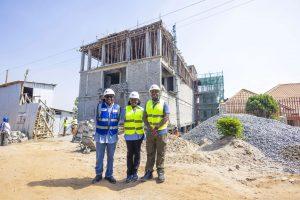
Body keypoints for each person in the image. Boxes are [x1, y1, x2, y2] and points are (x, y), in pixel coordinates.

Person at [141, 84, 170, 183]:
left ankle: (160, 172)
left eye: (156, 91)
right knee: (150, 153)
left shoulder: (164, 103)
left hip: (161, 132)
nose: (154, 93)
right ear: (150, 93)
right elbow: (144, 117)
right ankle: (148, 172)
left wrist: (156, 128)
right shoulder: (147, 103)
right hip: (150, 132)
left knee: (161, 153)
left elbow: (166, 117)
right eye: (152, 91)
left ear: (159, 93)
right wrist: (150, 127)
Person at [92, 88, 121, 184]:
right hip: (100, 135)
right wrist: (94, 132)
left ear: (114, 98)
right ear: (104, 98)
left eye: (111, 96)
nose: (109, 98)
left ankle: (109, 175)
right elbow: (95, 120)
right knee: (99, 157)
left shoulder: (118, 107)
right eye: (107, 96)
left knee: (111, 157)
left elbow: (119, 121)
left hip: (112, 136)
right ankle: (98, 174)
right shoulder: (99, 107)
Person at [122, 91, 145, 183]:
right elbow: (121, 120)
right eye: (132, 99)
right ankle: (129, 174)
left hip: (139, 135)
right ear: (129, 100)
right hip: (129, 136)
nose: (134, 101)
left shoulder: (142, 110)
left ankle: (135, 173)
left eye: (135, 99)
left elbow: (145, 121)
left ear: (138, 100)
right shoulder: (125, 109)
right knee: (129, 155)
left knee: (137, 154)